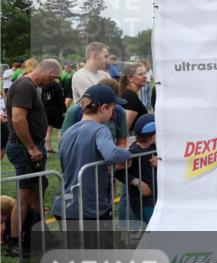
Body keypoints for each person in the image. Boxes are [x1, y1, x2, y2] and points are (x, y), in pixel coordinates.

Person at [52, 84, 132, 226]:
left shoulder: (68, 132)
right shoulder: (101, 130)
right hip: (90, 208)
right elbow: (112, 154)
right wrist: (128, 153)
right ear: (103, 108)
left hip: (65, 206)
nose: (113, 113)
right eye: (112, 109)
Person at [5, 59, 61, 255]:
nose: (52, 82)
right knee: (25, 195)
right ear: (48, 72)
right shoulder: (24, 85)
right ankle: (14, 242)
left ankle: (39, 235)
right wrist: (30, 147)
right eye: (53, 77)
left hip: (30, 146)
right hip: (25, 148)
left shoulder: (28, 85)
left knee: (36, 191)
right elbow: (18, 118)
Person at [63, 78, 129, 148]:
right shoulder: (75, 111)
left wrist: (114, 154)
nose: (114, 106)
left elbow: (122, 142)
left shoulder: (119, 112)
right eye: (112, 103)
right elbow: (65, 141)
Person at [124, 114, 157, 223]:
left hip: (156, 198)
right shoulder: (133, 152)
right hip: (143, 202)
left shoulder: (155, 148)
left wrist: (160, 159)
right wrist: (137, 182)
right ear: (153, 137)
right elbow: (120, 172)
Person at [119, 62, 149, 132]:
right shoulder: (131, 98)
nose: (145, 76)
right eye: (140, 74)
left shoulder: (127, 93)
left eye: (145, 73)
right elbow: (125, 129)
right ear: (130, 78)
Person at [42, 71, 66, 153]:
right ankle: (62, 147)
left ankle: (48, 148)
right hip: (55, 110)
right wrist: (64, 110)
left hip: (45, 109)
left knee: (48, 129)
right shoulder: (57, 86)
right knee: (61, 129)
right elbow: (61, 100)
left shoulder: (43, 85)